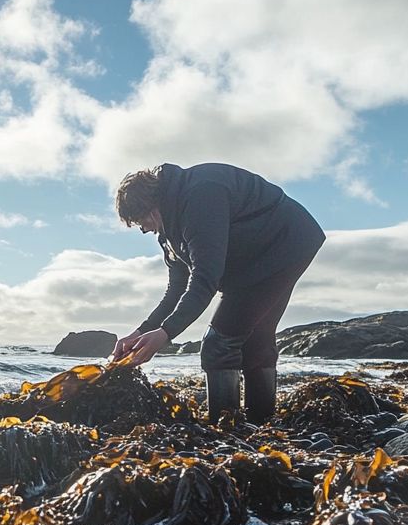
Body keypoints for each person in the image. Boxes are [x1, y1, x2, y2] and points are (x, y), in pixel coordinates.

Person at [111, 163, 325, 424]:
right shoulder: (168, 230)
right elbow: (176, 289)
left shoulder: (200, 197)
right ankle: (261, 423)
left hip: (285, 243)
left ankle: (226, 429)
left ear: (152, 205)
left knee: (218, 343)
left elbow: (204, 280)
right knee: (254, 340)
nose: (144, 229)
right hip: (255, 260)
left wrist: (165, 334)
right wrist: (142, 331)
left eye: (141, 220)